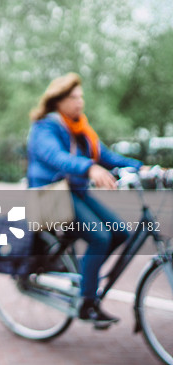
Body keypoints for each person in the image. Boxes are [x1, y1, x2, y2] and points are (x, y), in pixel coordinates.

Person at [27, 72, 142, 326]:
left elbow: (108, 157)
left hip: (74, 191)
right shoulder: (45, 127)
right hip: (50, 195)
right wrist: (89, 168)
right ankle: (87, 301)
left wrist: (143, 168)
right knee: (100, 237)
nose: (79, 102)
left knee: (121, 232)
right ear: (58, 101)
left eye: (81, 97)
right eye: (72, 97)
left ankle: (85, 276)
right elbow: (55, 157)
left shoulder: (80, 129)